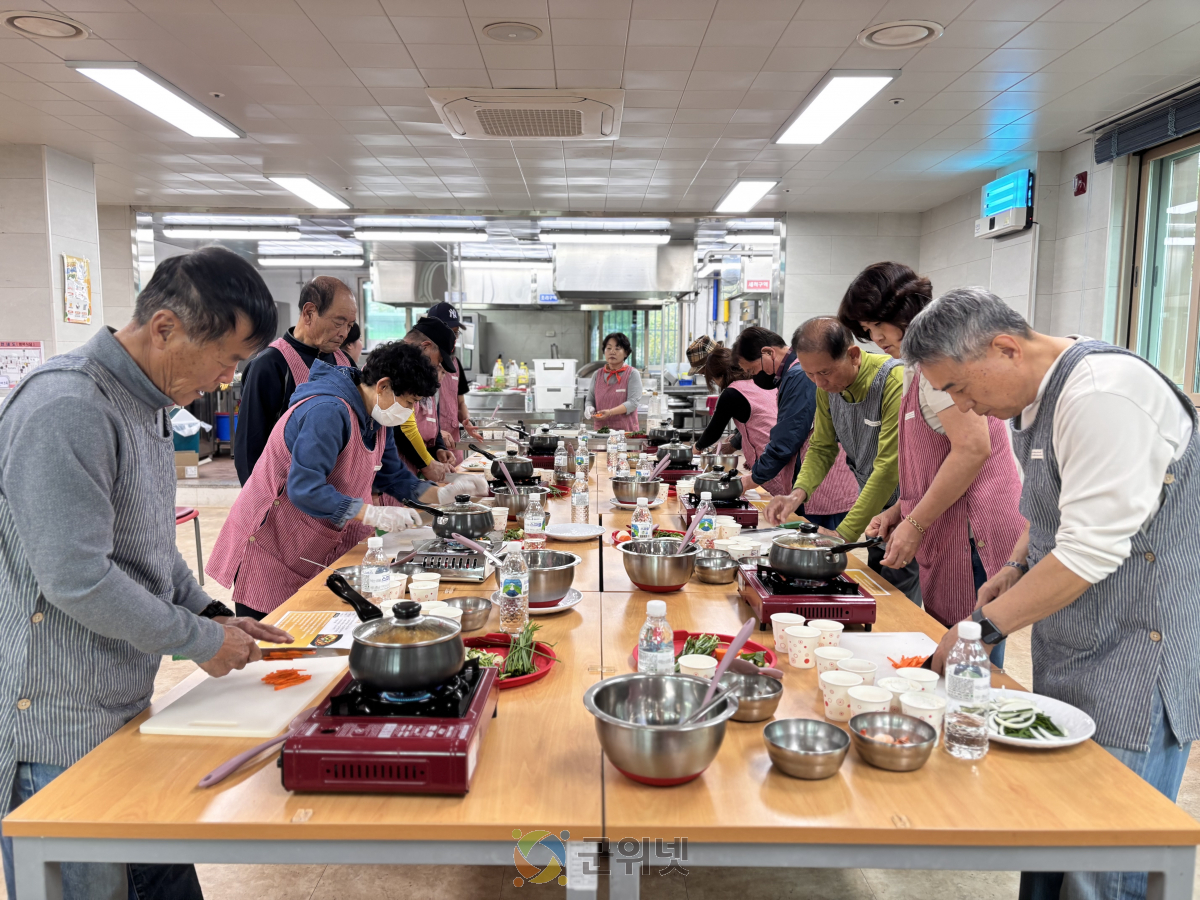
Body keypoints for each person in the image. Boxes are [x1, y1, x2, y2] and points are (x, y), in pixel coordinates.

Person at [0, 247, 294, 900]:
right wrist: (199, 643)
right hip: (58, 731)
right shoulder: (67, 408)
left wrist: (214, 615)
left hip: (125, 709)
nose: (228, 376)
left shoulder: (150, 405)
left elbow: (150, 554)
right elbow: (77, 579)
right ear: (164, 327)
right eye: (227, 357)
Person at [906, 288, 1200, 900]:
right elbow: (1055, 514)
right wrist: (1014, 565)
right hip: (1079, 640)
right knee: (1053, 833)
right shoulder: (1038, 399)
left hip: (1137, 653)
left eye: (959, 387)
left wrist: (978, 629)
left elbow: (1088, 551)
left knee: (1104, 857)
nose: (962, 405)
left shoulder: (1102, 396)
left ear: (1005, 348)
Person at [209, 342, 484, 620]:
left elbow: (393, 476)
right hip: (273, 546)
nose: (409, 412)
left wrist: (441, 495)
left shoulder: (377, 417)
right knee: (274, 641)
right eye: (409, 402)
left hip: (315, 543)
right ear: (383, 386)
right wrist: (370, 513)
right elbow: (305, 488)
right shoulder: (327, 411)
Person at [839, 263, 1025, 638]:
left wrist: (916, 522)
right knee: (951, 636)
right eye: (867, 332)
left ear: (898, 309)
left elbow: (973, 449)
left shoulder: (938, 366)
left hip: (974, 527)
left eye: (877, 327)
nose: (876, 339)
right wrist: (899, 509)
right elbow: (933, 456)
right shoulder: (916, 364)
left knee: (969, 646)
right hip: (949, 522)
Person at [763, 318, 920, 600]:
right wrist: (796, 495)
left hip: (912, 506)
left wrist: (843, 534)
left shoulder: (893, 380)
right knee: (879, 589)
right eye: (810, 375)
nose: (820, 383)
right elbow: (822, 447)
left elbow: (887, 468)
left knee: (903, 598)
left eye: (825, 372)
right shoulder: (826, 388)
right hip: (876, 509)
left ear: (853, 355)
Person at [695, 348, 858, 521]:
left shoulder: (734, 392)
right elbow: (761, 421)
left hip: (778, 464)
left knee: (798, 521)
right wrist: (736, 444)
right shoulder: (767, 384)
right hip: (790, 463)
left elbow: (714, 431)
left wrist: (696, 449)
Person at [729, 327, 859, 527]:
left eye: (753, 369)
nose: (754, 376)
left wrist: (753, 479)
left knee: (821, 548)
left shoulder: (798, 375)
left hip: (824, 483)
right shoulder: (792, 374)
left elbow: (787, 437)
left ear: (768, 352)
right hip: (811, 480)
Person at [234, 275, 357, 485]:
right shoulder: (270, 365)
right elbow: (249, 447)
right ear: (309, 313)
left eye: (350, 325)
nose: (344, 333)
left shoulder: (344, 362)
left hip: (336, 495)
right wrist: (259, 502)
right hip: (286, 494)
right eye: (339, 322)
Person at [426, 301, 484, 465]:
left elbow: (460, 402)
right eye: (449, 332)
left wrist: (466, 421)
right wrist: (436, 433)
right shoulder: (420, 364)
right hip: (428, 448)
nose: (453, 338)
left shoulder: (455, 364)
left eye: (456, 333)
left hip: (452, 445)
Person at [586, 332, 642, 432]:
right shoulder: (597, 374)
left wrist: (610, 412)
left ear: (626, 353)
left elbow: (633, 403)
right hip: (601, 433)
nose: (612, 352)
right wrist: (589, 407)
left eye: (617, 348)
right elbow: (590, 399)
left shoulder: (632, 374)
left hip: (625, 433)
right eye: (609, 348)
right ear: (604, 351)